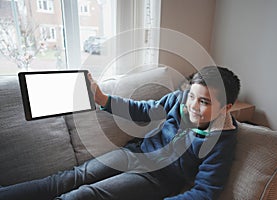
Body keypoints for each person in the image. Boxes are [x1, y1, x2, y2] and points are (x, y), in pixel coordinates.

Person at [0, 66, 240, 200]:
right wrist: (102, 98)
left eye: (204, 102)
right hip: (134, 154)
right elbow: (145, 111)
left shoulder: (222, 141)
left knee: (84, 195)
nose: (192, 107)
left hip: (157, 178)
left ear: (226, 107)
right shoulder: (178, 100)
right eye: (191, 96)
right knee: (69, 178)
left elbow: (205, 192)